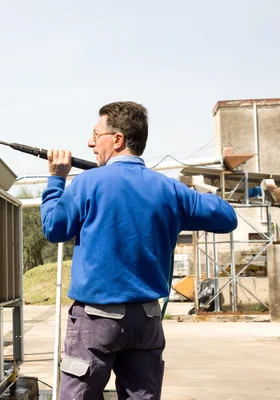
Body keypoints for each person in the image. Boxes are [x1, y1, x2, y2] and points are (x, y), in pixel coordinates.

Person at [40, 101, 238, 400]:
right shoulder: (168, 189)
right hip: (146, 320)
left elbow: (55, 228)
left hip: (96, 320)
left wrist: (56, 178)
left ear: (117, 140)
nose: (90, 142)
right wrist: (179, 198)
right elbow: (227, 218)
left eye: (96, 135)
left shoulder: (88, 182)